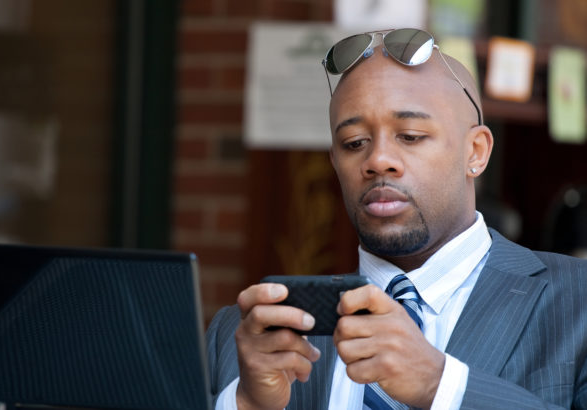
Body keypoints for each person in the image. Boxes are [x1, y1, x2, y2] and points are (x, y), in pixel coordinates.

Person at [205, 28, 587, 409]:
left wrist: (441, 386)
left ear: (476, 152)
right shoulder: (244, 336)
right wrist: (247, 404)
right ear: (335, 163)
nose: (377, 160)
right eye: (354, 143)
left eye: (410, 135)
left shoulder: (577, 302)